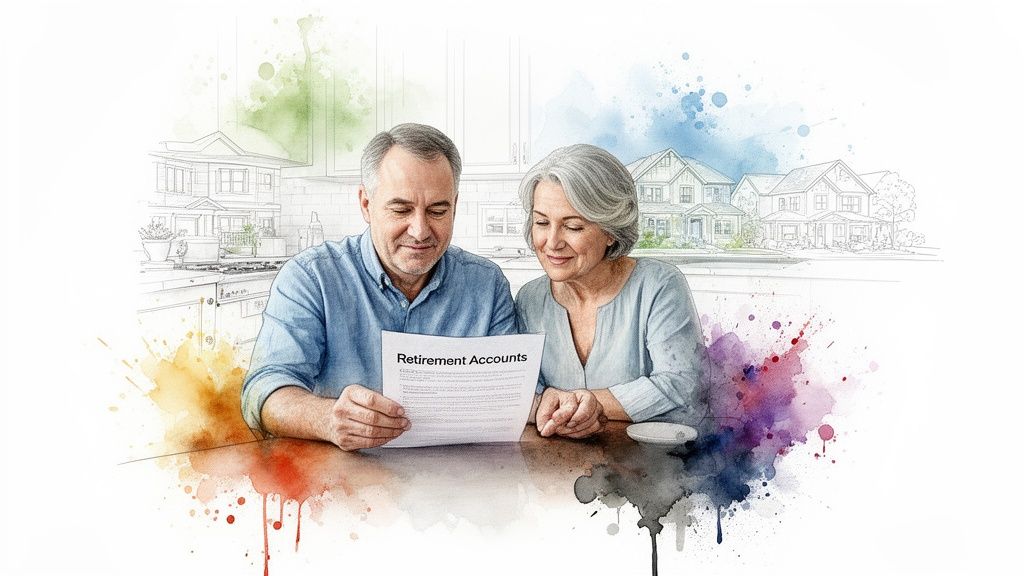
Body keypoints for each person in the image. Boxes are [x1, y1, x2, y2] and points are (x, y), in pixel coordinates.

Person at [241, 123, 522, 451]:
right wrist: (327, 417)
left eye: (437, 211)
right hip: (344, 482)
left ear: (455, 206)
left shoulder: (487, 285)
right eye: (401, 209)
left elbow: (510, 396)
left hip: (457, 480)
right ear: (365, 204)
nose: (419, 231)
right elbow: (266, 389)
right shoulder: (311, 277)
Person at [516, 144, 709, 439]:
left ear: (610, 230)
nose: (552, 241)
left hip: (652, 466)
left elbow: (680, 383)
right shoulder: (529, 299)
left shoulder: (659, 285)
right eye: (542, 222)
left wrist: (580, 405)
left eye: (573, 227)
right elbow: (527, 392)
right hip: (555, 467)